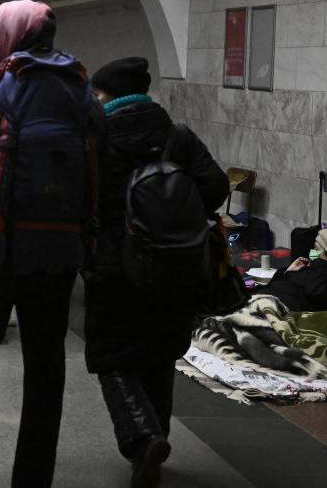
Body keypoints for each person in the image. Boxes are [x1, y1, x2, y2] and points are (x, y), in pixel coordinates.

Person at [0, 1, 96, 488]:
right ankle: (33, 480)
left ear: (3, 39)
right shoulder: (81, 91)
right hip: (59, 253)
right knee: (46, 368)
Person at [82, 56, 228, 487]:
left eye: (97, 93)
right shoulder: (176, 135)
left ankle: (144, 437)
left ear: (108, 94)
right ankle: (154, 448)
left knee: (112, 356)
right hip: (177, 264)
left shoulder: (99, 136)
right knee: (160, 356)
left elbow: (82, 196)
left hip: (117, 265)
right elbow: (216, 186)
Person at [258, 228, 327, 311]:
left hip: (272, 306)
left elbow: (317, 294)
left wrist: (324, 264)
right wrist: (289, 271)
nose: (312, 251)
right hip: (264, 296)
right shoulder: (318, 269)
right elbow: (276, 284)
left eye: (316, 249)